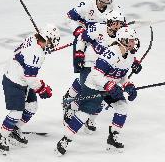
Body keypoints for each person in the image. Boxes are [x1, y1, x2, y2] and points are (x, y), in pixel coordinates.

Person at [55, 26, 140, 156]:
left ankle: (113, 137)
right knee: (84, 114)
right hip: (94, 85)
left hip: (109, 86)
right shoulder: (111, 53)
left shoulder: (129, 56)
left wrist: (128, 85)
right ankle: (65, 140)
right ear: (123, 40)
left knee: (122, 106)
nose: (134, 42)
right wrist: (109, 85)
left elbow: (121, 74)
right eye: (131, 40)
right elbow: (95, 74)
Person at [63, 0, 127, 132]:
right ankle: (70, 100)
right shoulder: (87, 6)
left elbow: (123, 28)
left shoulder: (115, 8)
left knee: (101, 80)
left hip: (106, 46)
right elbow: (69, 17)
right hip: (85, 44)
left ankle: (89, 117)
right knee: (87, 80)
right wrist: (79, 30)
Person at [0, 24, 61, 156]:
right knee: (16, 113)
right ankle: (2, 139)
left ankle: (14, 130)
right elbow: (30, 77)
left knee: (32, 106)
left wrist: (44, 49)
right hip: (14, 80)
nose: (54, 44)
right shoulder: (37, 54)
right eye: (52, 41)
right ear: (46, 38)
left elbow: (31, 56)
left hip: (20, 75)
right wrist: (42, 89)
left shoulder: (33, 38)